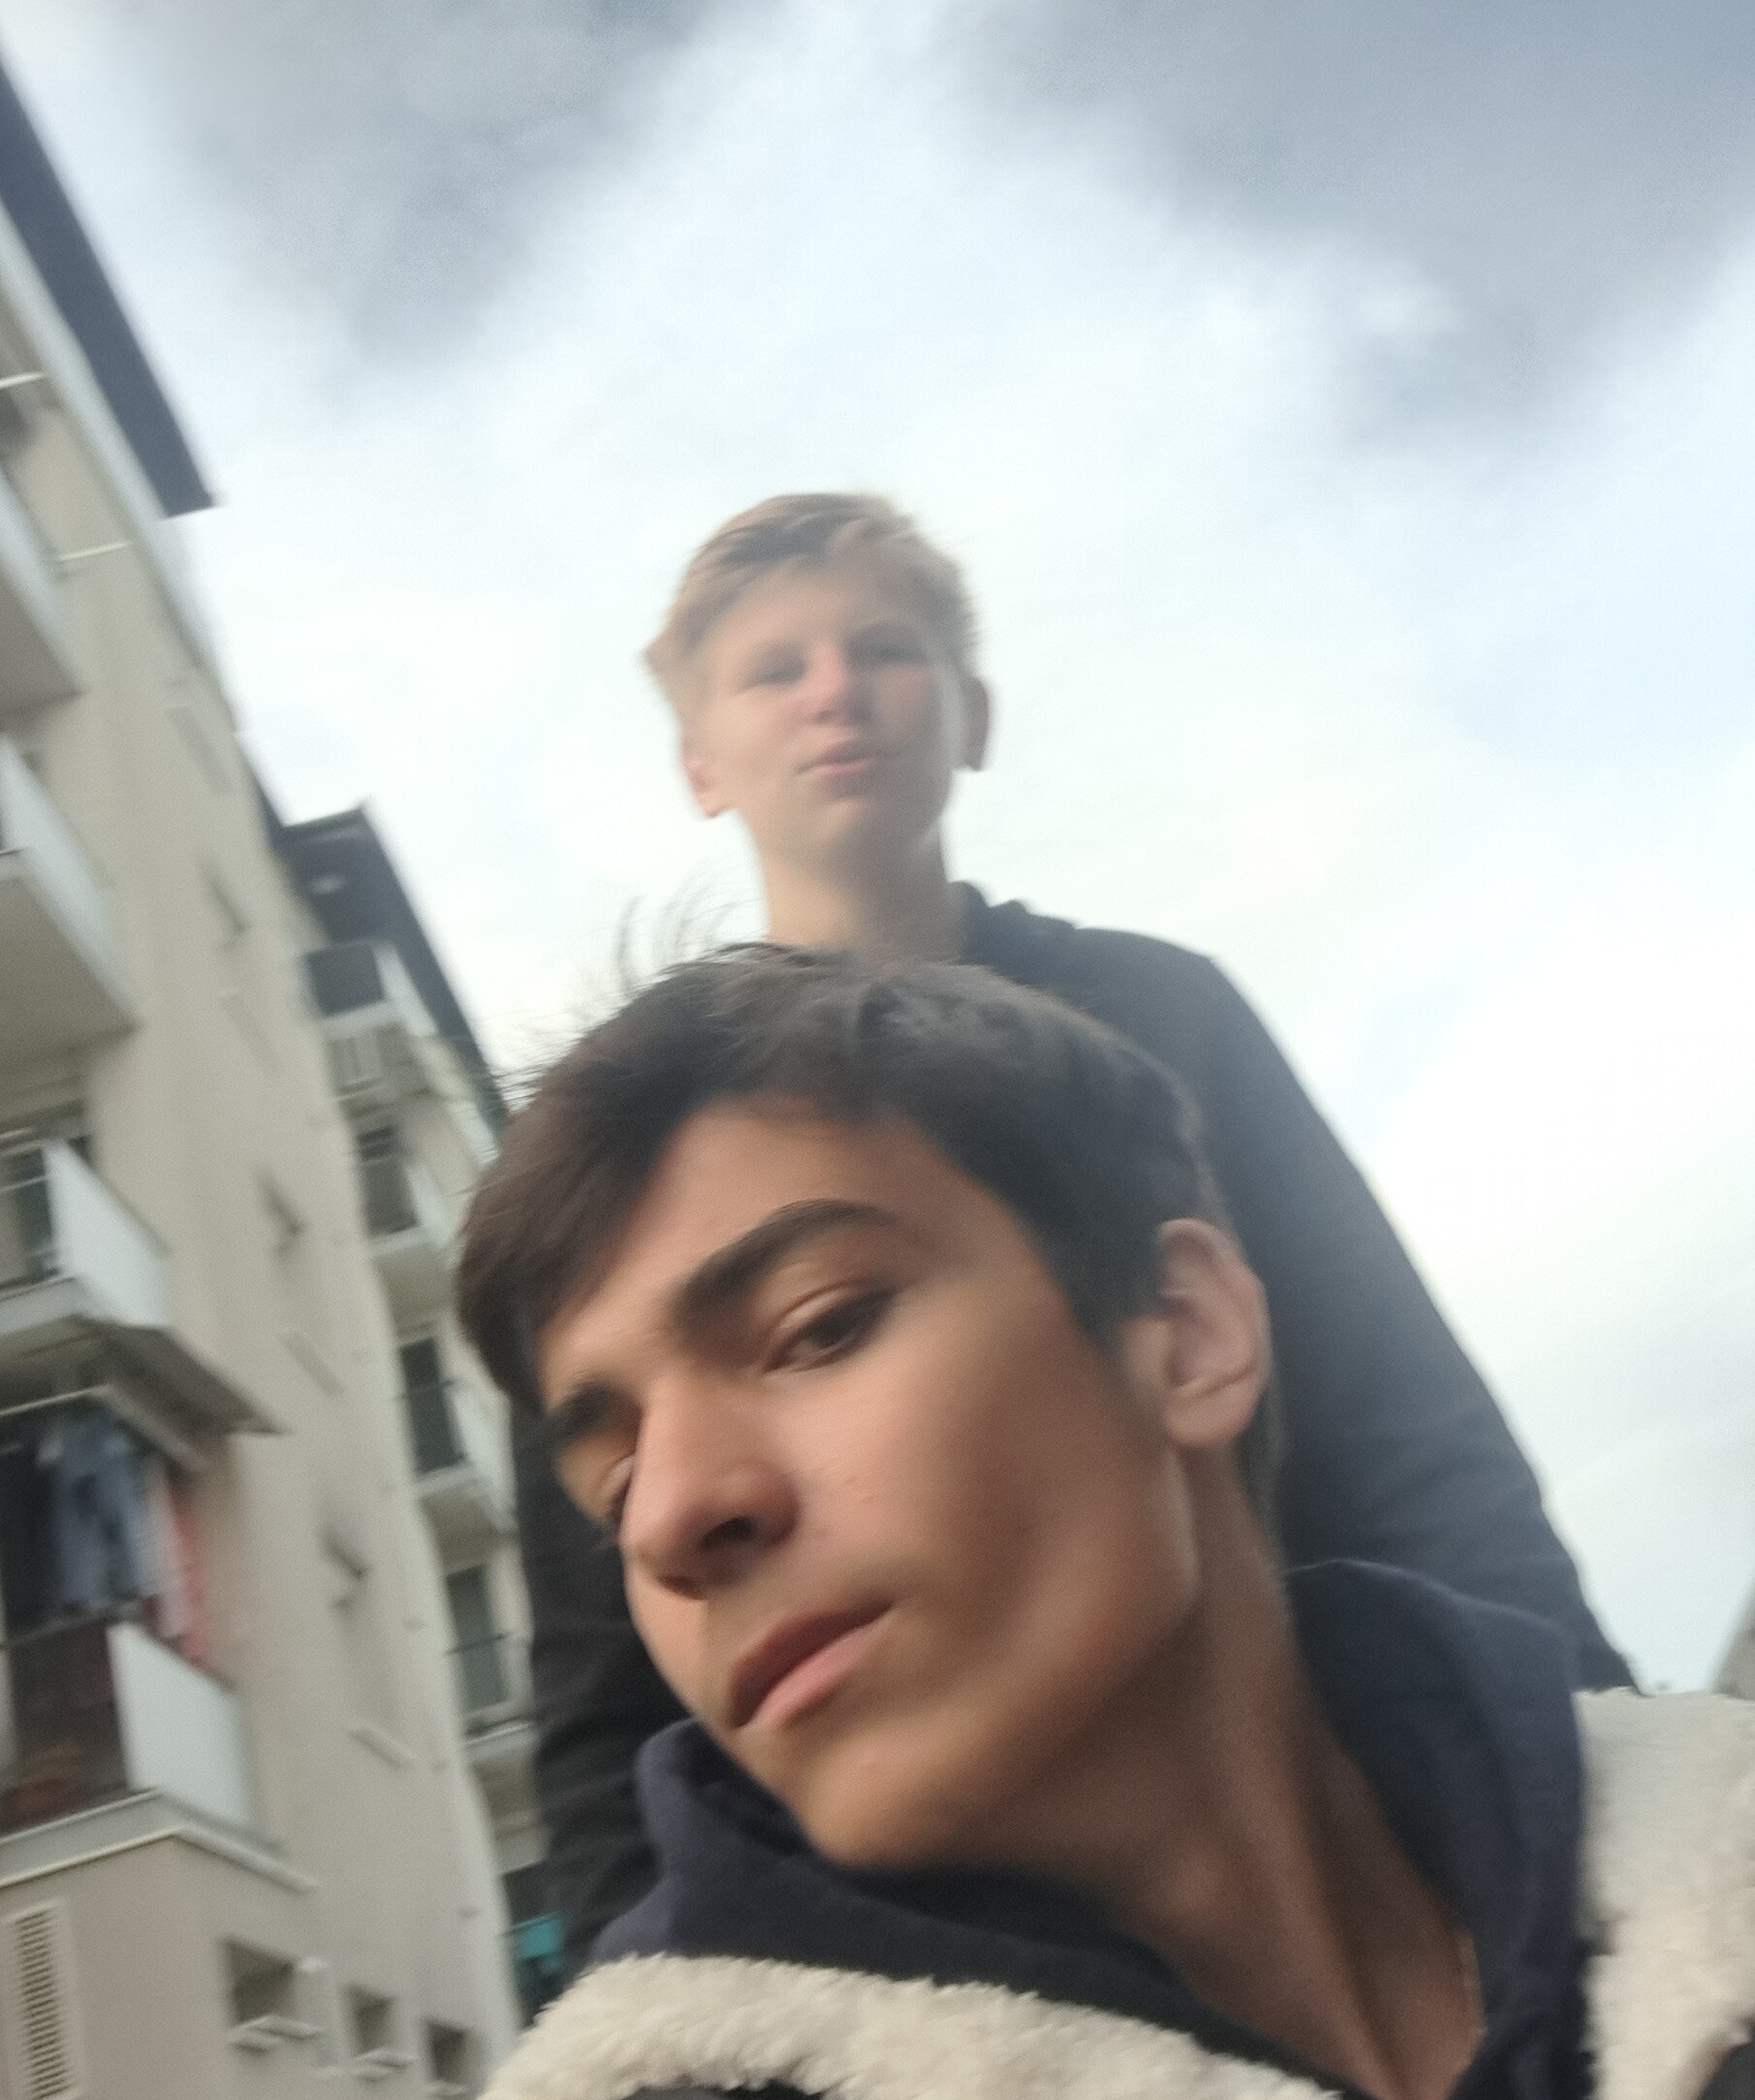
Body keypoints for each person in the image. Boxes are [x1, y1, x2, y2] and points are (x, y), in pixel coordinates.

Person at [337, 951, 1755, 2100]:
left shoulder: (1741, 1874)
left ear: (1188, 1331)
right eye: (612, 1482)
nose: (675, 1513)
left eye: (818, 1327)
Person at [522, 492, 1628, 1964]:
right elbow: (599, 1698)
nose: (836, 692)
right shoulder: (628, 1175)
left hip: (1346, 1824)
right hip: (929, 1962)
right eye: (774, 669)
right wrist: (645, 2030)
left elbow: (1402, 1420)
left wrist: (1598, 1778)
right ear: (700, 764)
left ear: (972, 715)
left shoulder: (1167, 1013)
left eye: (884, 649)